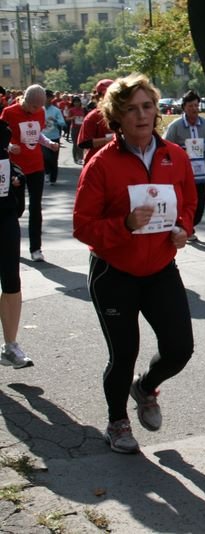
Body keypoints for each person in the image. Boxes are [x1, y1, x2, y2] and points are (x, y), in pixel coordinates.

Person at [73, 74, 198, 454]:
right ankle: (117, 422)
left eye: (147, 106)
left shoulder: (173, 157)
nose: (142, 115)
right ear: (117, 117)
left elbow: (189, 204)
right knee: (123, 354)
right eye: (131, 109)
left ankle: (145, 387)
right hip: (115, 273)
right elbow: (83, 226)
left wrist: (183, 230)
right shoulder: (101, 164)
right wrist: (123, 225)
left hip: (160, 267)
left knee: (180, 348)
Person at [0, 84, 59, 263]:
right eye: (33, 106)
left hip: (36, 165)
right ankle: (9, 242)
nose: (35, 110)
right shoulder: (9, 113)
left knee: (36, 207)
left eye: (38, 107)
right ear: (25, 100)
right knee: (17, 208)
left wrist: (49, 143)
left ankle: (36, 249)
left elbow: (38, 134)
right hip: (16, 167)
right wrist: (10, 147)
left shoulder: (40, 112)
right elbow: (1, 136)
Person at [163, 90, 205, 241]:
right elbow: (165, 147)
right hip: (184, 173)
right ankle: (187, 229)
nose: (194, 109)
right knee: (186, 203)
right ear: (184, 107)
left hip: (203, 173)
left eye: (196, 105)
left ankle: (191, 225)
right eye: (190, 106)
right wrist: (182, 150)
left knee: (200, 204)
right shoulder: (175, 126)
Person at [0, 119, 32, 369]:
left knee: (11, 281)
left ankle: (10, 346)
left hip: (5, 221)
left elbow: (12, 166)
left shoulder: (2, 131)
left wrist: (17, 177)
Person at [76, 79, 114, 165]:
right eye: (107, 95)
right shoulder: (93, 117)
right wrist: (110, 139)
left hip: (116, 163)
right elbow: (84, 143)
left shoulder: (124, 115)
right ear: (98, 97)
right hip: (96, 164)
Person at [42, 89, 65, 185]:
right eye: (45, 97)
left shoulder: (56, 110)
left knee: (53, 159)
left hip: (54, 137)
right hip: (42, 138)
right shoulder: (39, 109)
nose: (46, 99)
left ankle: (53, 179)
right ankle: (47, 172)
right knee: (45, 157)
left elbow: (63, 123)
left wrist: (55, 120)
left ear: (51, 98)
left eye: (48, 97)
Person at [65, 96, 85, 164]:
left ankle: (81, 158)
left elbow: (86, 117)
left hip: (81, 128)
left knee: (81, 143)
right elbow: (67, 119)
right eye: (75, 102)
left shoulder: (83, 109)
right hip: (74, 128)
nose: (77, 103)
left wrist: (83, 119)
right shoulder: (71, 110)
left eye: (78, 102)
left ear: (80, 102)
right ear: (73, 103)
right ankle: (75, 158)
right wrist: (72, 118)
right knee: (75, 144)